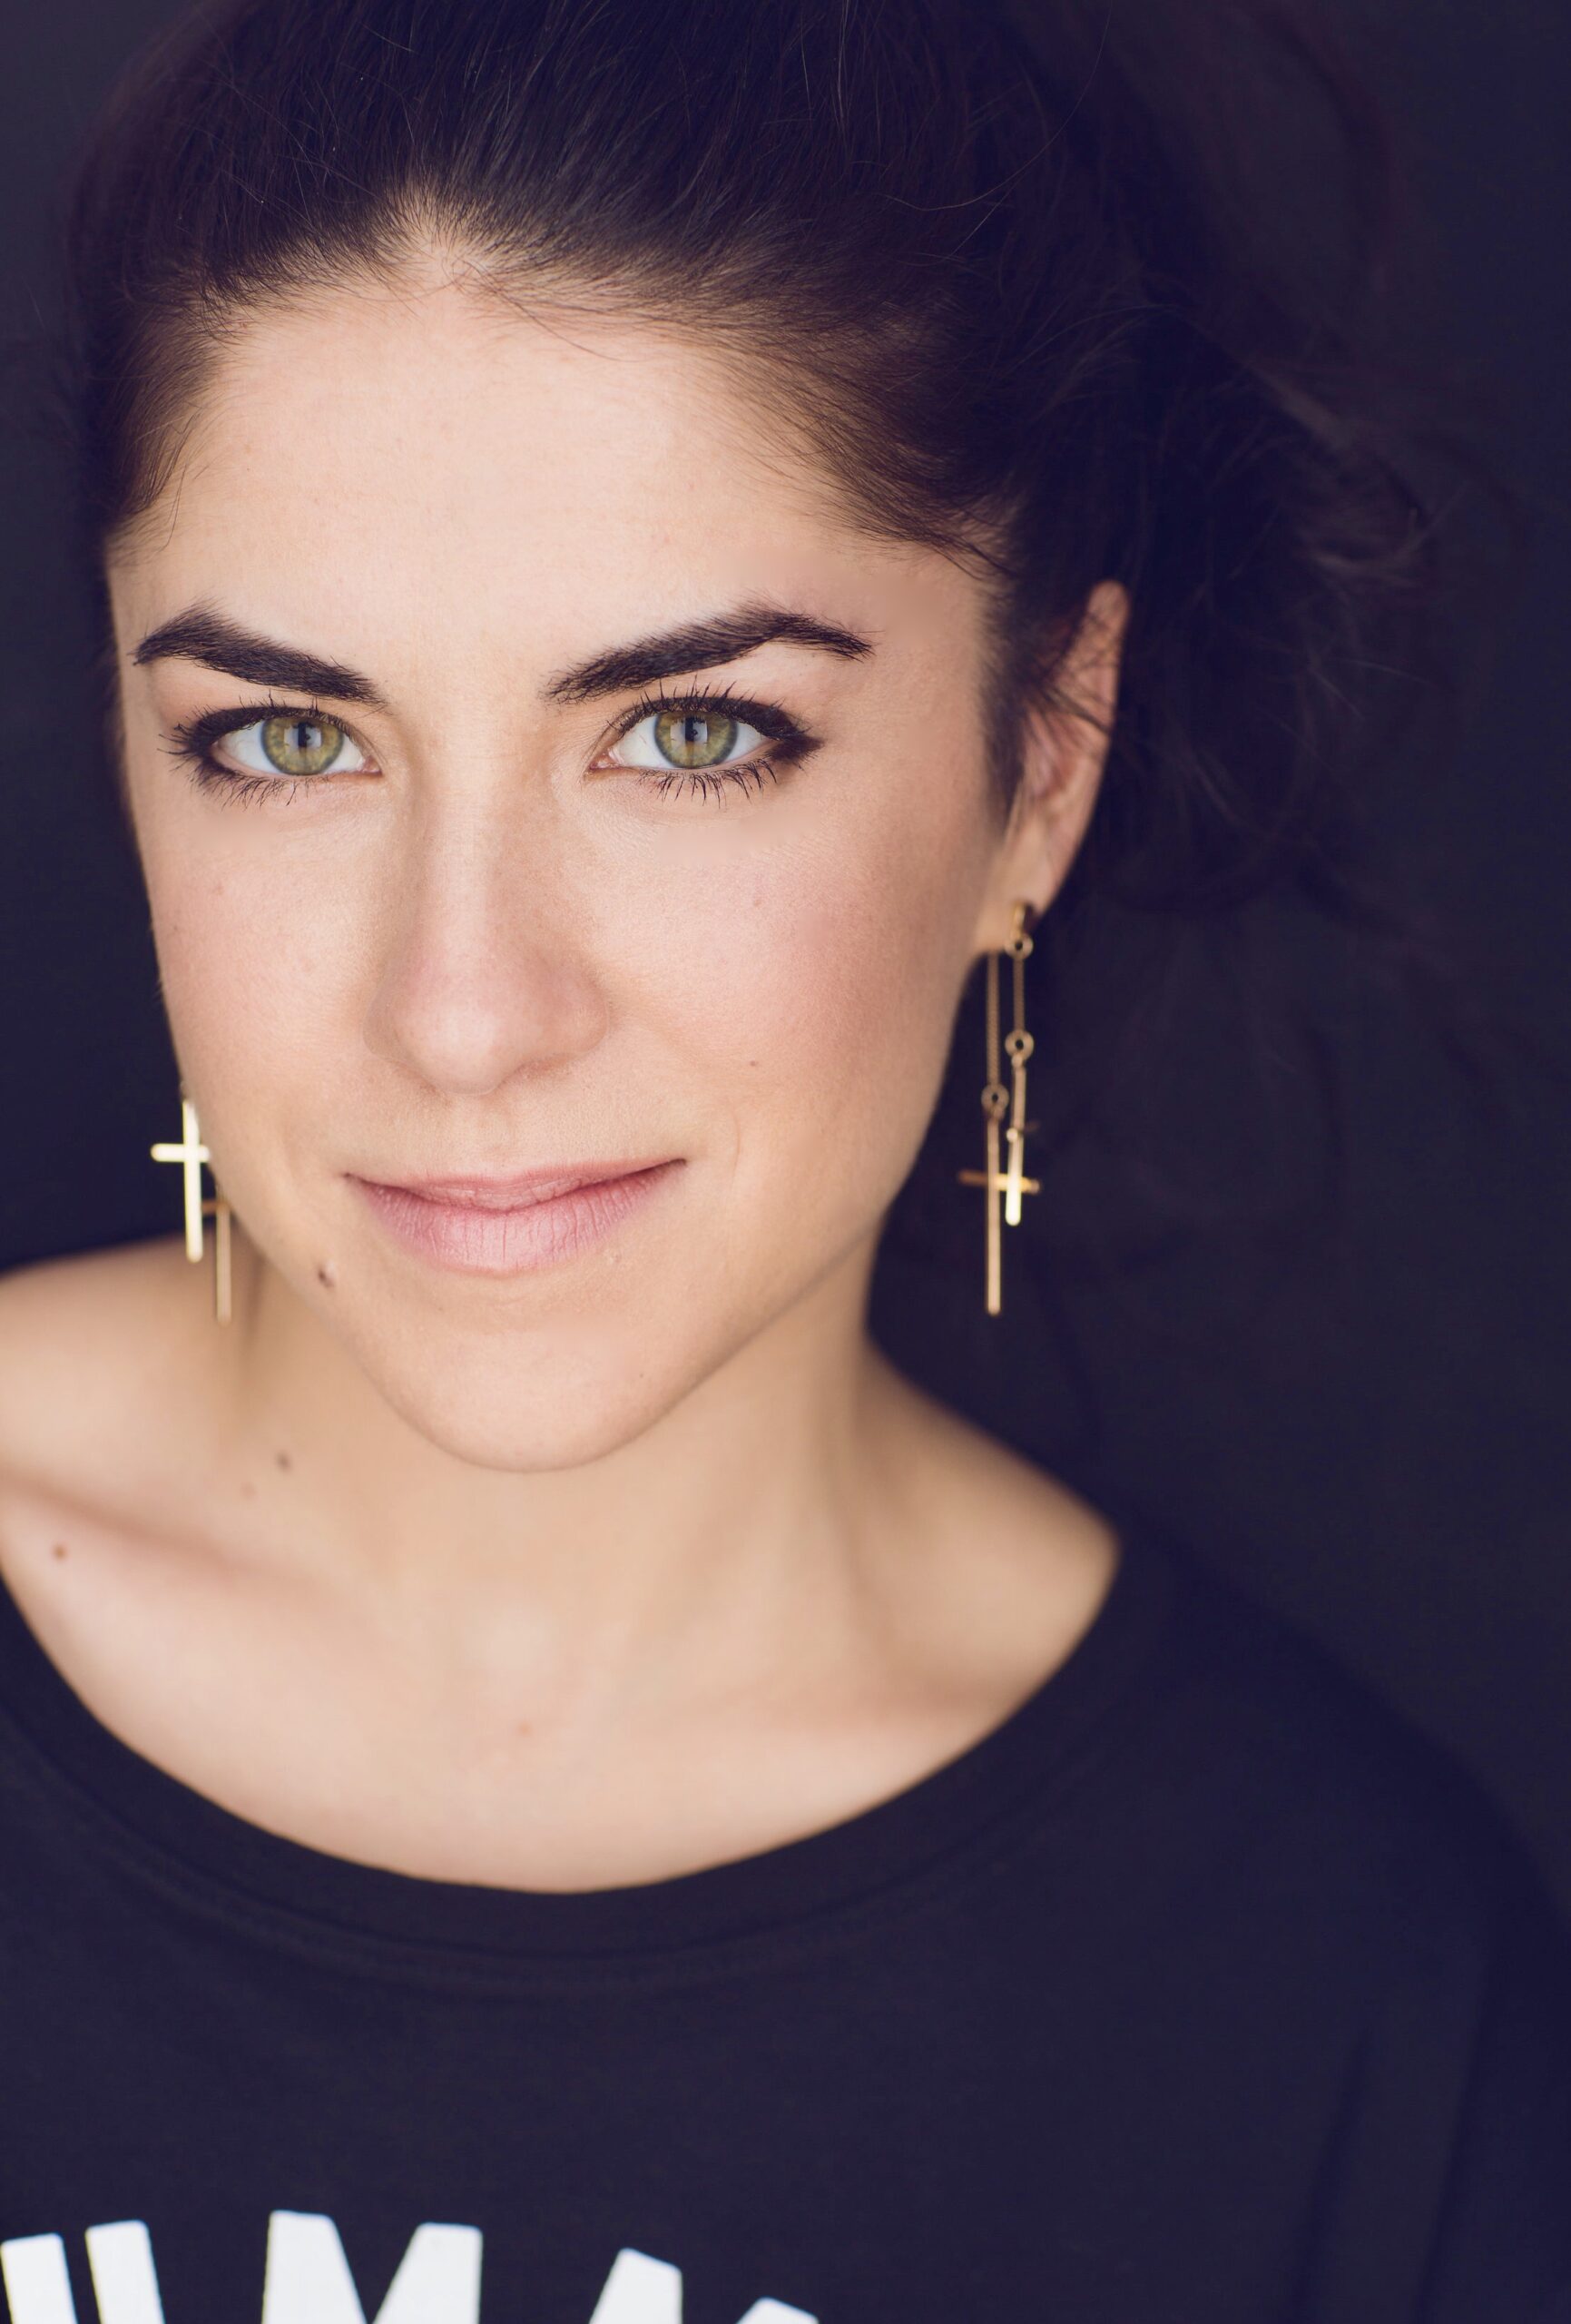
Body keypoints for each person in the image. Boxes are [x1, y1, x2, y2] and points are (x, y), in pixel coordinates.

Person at [0, 0, 1566, 2316]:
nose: (460, 1008)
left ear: (1040, 760)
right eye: (285, 736)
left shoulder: (1333, 2010)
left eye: (693, 732)